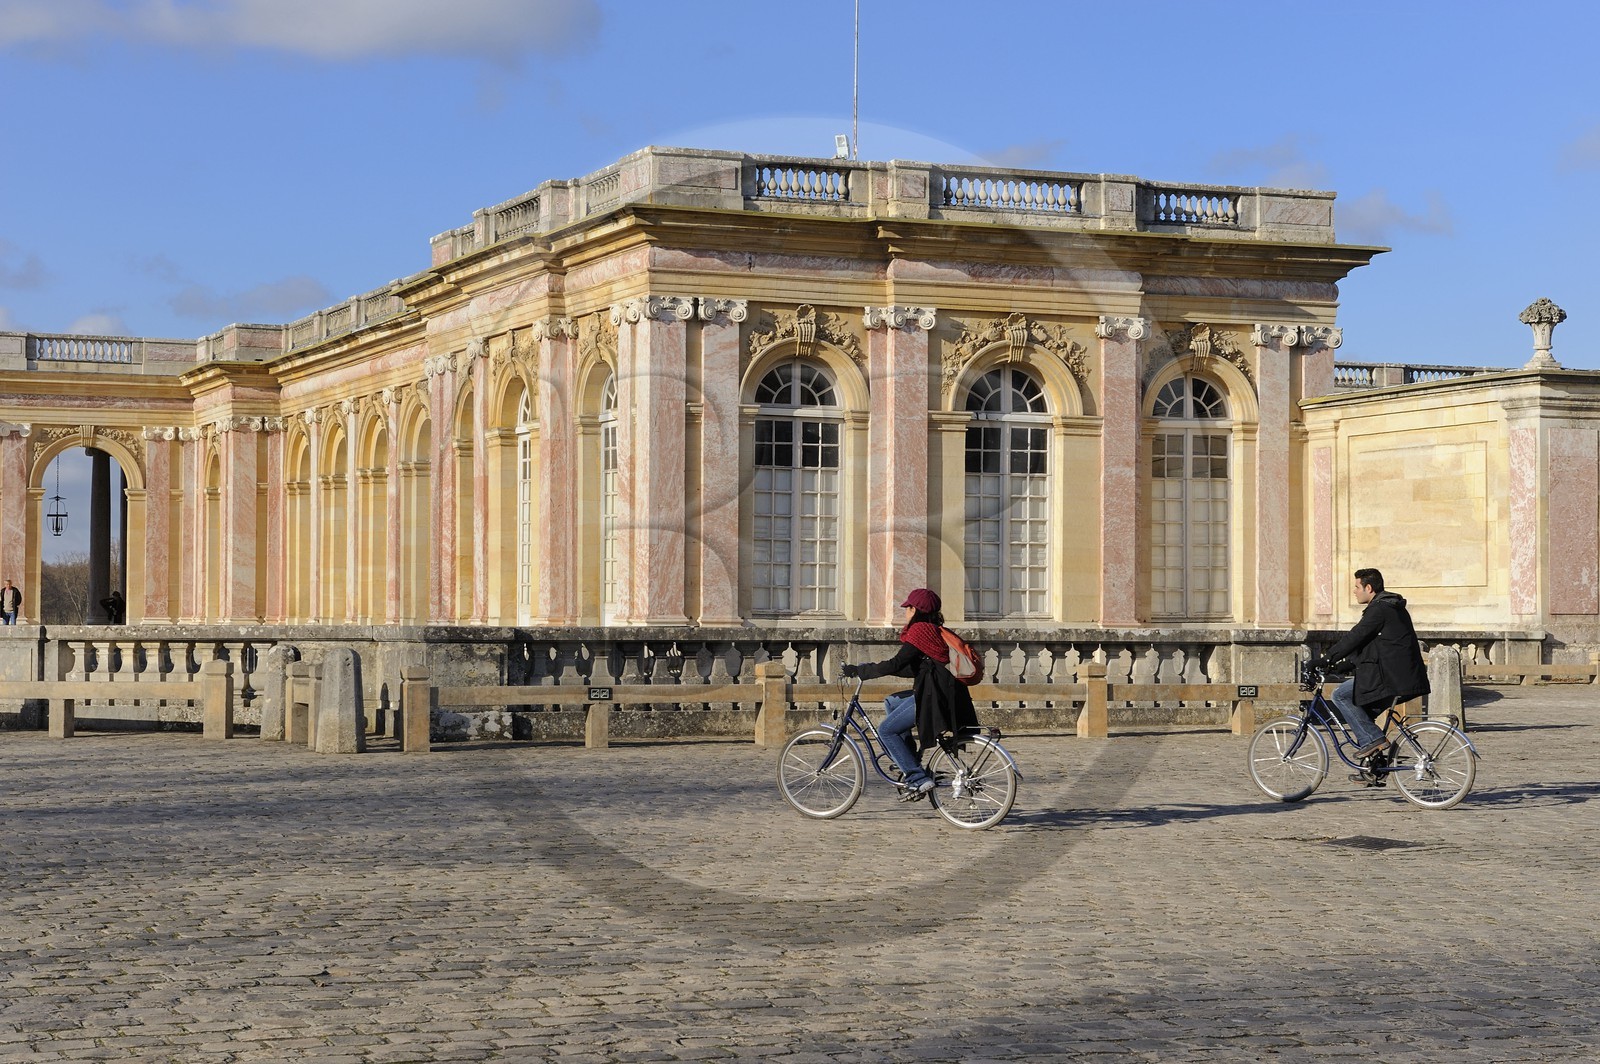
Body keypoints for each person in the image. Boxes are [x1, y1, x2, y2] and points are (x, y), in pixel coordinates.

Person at [840, 588, 979, 801]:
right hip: (941, 692)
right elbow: (911, 669)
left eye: (908, 608)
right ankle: (909, 760)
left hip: (935, 695)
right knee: (892, 701)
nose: (905, 612)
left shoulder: (920, 631)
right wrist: (870, 668)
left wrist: (862, 671)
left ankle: (917, 778)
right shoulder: (932, 629)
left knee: (886, 730)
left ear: (916, 610)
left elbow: (897, 662)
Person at [1311, 568, 1430, 782]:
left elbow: (1356, 637)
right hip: (1399, 675)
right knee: (1362, 711)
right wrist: (1343, 665)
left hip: (1392, 678)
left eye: (1357, 587)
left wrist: (1327, 659)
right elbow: (1372, 647)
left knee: (1341, 696)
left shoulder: (1380, 609)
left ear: (1369, 588)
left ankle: (1374, 740)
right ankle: (1373, 767)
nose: (1354, 591)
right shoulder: (1389, 607)